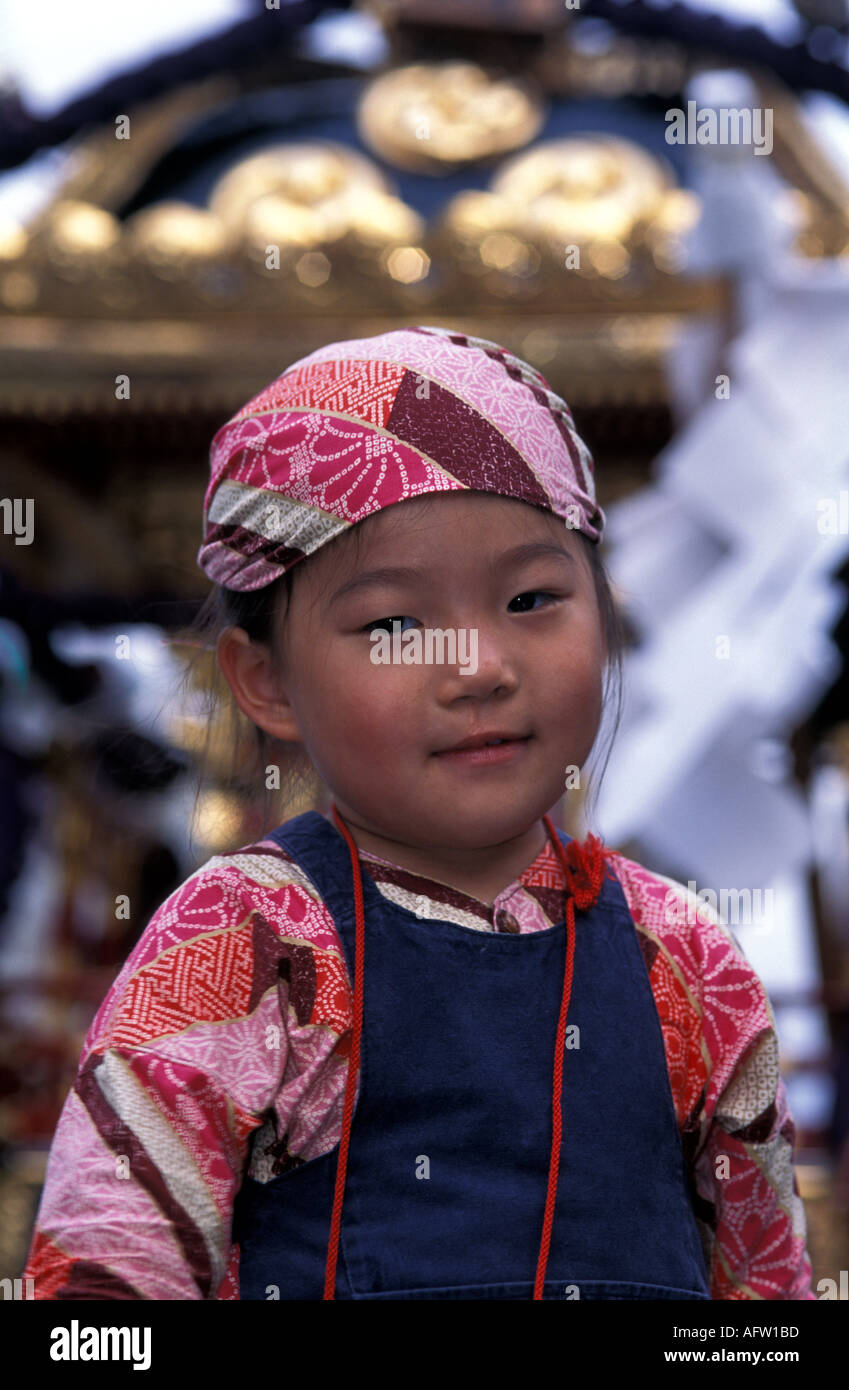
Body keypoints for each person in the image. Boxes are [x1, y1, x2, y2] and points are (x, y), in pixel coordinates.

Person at [23, 325, 815, 1300]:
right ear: (265, 681)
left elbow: (768, 1298)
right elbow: (101, 1295)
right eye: (395, 624)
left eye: (532, 598)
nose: (480, 667)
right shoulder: (246, 943)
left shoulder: (688, 961)